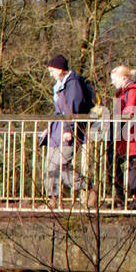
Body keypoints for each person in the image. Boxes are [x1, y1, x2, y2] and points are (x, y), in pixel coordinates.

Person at [38, 54, 89, 202]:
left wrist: (69, 129)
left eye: (52, 70)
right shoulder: (61, 85)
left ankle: (86, 186)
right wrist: (49, 128)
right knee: (50, 166)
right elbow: (59, 110)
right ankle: (52, 198)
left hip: (67, 130)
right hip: (57, 131)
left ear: (60, 69)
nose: (51, 73)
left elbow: (72, 108)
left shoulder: (73, 84)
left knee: (61, 164)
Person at [108, 65, 136, 210]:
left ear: (124, 78)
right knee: (112, 162)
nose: (113, 83)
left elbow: (131, 112)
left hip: (133, 134)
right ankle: (121, 196)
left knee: (134, 165)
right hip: (123, 133)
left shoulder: (133, 92)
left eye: (114, 79)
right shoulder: (122, 92)